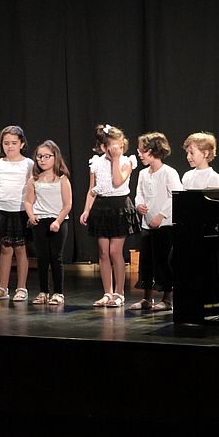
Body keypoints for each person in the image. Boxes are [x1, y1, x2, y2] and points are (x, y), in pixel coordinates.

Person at [80, 124, 139, 307]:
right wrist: (87, 210)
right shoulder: (96, 163)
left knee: (115, 251)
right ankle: (108, 292)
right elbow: (92, 190)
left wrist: (115, 159)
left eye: (120, 146)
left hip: (120, 207)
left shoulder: (127, 161)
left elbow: (117, 181)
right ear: (104, 147)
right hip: (101, 208)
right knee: (104, 252)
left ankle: (119, 293)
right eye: (113, 147)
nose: (118, 150)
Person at [129, 132, 183, 312]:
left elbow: (175, 196)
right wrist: (139, 205)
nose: (139, 154)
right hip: (147, 224)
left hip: (164, 226)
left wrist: (161, 215)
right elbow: (139, 193)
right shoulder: (143, 173)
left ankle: (167, 299)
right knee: (147, 261)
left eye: (142, 151)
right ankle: (147, 298)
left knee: (163, 262)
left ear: (153, 151)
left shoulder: (168, 172)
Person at [0, 125, 34, 302]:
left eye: (14, 143)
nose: (10, 146)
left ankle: (21, 288)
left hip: (20, 211)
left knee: (20, 249)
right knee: (5, 249)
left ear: (22, 144)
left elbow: (33, 190)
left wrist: (32, 212)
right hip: (2, 211)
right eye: (6, 143)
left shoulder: (29, 164)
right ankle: (2, 288)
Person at [24, 140, 72, 305]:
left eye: (46, 156)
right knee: (42, 257)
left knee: (56, 257)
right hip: (40, 220)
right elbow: (28, 201)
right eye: (39, 157)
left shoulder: (62, 179)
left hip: (58, 221)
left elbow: (67, 205)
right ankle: (43, 291)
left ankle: (58, 293)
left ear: (55, 157)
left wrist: (58, 221)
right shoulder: (34, 180)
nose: (42, 160)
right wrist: (31, 216)